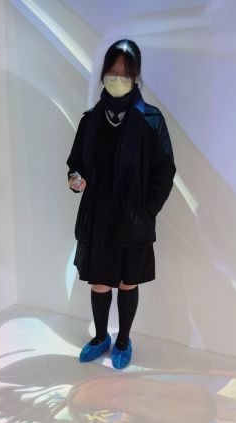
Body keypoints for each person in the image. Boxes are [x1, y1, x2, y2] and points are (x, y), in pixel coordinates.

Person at [66, 39, 176, 370]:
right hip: (98, 217)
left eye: (124, 73)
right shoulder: (91, 120)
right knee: (99, 281)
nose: (117, 79)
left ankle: (124, 340)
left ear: (136, 76)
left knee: (128, 281)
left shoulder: (151, 120)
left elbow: (165, 171)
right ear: (103, 75)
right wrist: (75, 178)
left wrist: (147, 210)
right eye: (112, 72)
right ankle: (101, 337)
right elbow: (76, 163)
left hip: (133, 219)